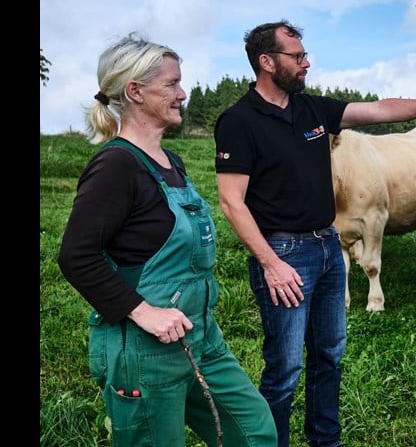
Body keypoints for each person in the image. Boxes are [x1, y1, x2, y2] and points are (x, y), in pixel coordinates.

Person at [213, 19, 416, 447]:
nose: (307, 63)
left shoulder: (311, 109)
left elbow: (381, 109)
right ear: (267, 62)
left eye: (305, 54)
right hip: (284, 253)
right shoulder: (238, 121)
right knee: (284, 368)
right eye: (297, 56)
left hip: (328, 245)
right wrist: (271, 263)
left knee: (329, 357)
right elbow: (232, 202)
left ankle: (325, 441)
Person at [57, 33, 277, 447]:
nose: (183, 92)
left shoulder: (170, 162)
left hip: (201, 338)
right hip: (144, 352)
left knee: (254, 431)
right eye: (172, 84)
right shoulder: (116, 165)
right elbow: (76, 256)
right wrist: (144, 312)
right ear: (135, 91)